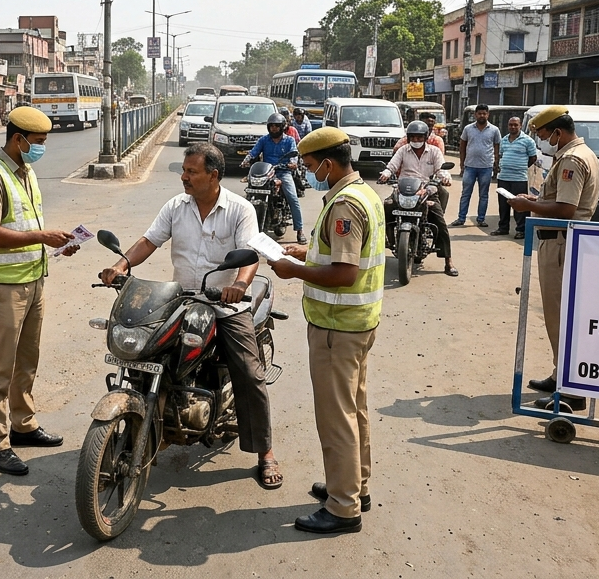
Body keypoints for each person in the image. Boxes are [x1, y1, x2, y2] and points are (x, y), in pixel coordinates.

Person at [99, 142, 282, 489]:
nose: (183, 177)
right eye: (184, 171)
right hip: (180, 299)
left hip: (225, 306)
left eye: (191, 171)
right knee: (147, 351)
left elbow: (250, 255)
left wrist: (240, 285)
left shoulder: (239, 209)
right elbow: (149, 240)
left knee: (248, 371)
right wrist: (121, 263)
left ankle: (266, 452)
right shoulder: (176, 206)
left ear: (213, 175)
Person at [267, 127, 385, 536]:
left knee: (336, 418)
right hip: (359, 324)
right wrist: (305, 252)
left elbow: (345, 273)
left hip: (337, 326)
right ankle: (355, 486)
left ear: (329, 164)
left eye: (312, 164)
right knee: (355, 409)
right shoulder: (364, 193)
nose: (309, 171)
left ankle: (342, 507)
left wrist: (293, 270)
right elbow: (342, 254)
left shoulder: (345, 205)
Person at [0, 106, 79, 475]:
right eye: (38, 142)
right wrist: (40, 236)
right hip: (5, 289)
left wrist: (57, 243)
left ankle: (23, 425)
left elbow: (26, 227)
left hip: (33, 282)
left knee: (26, 363)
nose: (42, 148)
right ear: (18, 139)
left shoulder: (26, 172)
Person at [509, 106, 599, 412]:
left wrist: (528, 206)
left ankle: (571, 390)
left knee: (561, 316)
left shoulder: (572, 159)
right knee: (557, 315)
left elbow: (566, 210)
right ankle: (559, 373)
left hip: (562, 244)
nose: (541, 141)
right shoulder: (577, 153)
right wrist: (537, 200)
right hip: (562, 242)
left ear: (558, 132)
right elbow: (561, 201)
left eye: (543, 135)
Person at [378, 121, 456, 276]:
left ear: (426, 137)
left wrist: (445, 177)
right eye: (412, 137)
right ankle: (386, 242)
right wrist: (385, 174)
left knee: (440, 222)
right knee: (384, 209)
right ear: (408, 137)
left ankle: (448, 261)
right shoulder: (403, 151)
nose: (416, 140)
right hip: (403, 190)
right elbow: (392, 166)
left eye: (419, 137)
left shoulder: (434, 151)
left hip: (427, 191)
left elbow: (441, 170)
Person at [241, 113, 305, 243]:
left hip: (283, 172)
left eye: (277, 126)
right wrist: (245, 161)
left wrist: (293, 162)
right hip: (267, 172)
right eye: (272, 126)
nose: (274, 128)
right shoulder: (264, 140)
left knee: (293, 199)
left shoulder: (289, 140)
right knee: (249, 195)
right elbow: (253, 152)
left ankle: (299, 231)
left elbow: (294, 154)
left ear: (282, 127)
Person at [452, 104, 499, 229]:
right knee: (465, 193)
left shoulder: (494, 130)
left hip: (486, 167)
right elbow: (462, 147)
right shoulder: (468, 129)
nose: (482, 115)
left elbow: (496, 147)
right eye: (479, 113)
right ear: (475, 115)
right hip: (470, 166)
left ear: (488, 115)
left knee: (484, 195)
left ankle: (481, 219)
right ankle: (461, 218)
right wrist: (462, 164)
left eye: (484, 113)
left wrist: (496, 165)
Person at [494, 116, 538, 239]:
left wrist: (521, 167)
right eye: (510, 125)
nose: (513, 127)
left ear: (520, 126)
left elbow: (533, 158)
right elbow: (501, 155)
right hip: (503, 177)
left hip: (519, 178)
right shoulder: (504, 140)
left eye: (515, 125)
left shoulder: (528, 141)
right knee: (503, 205)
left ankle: (521, 230)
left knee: (521, 205)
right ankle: (503, 228)